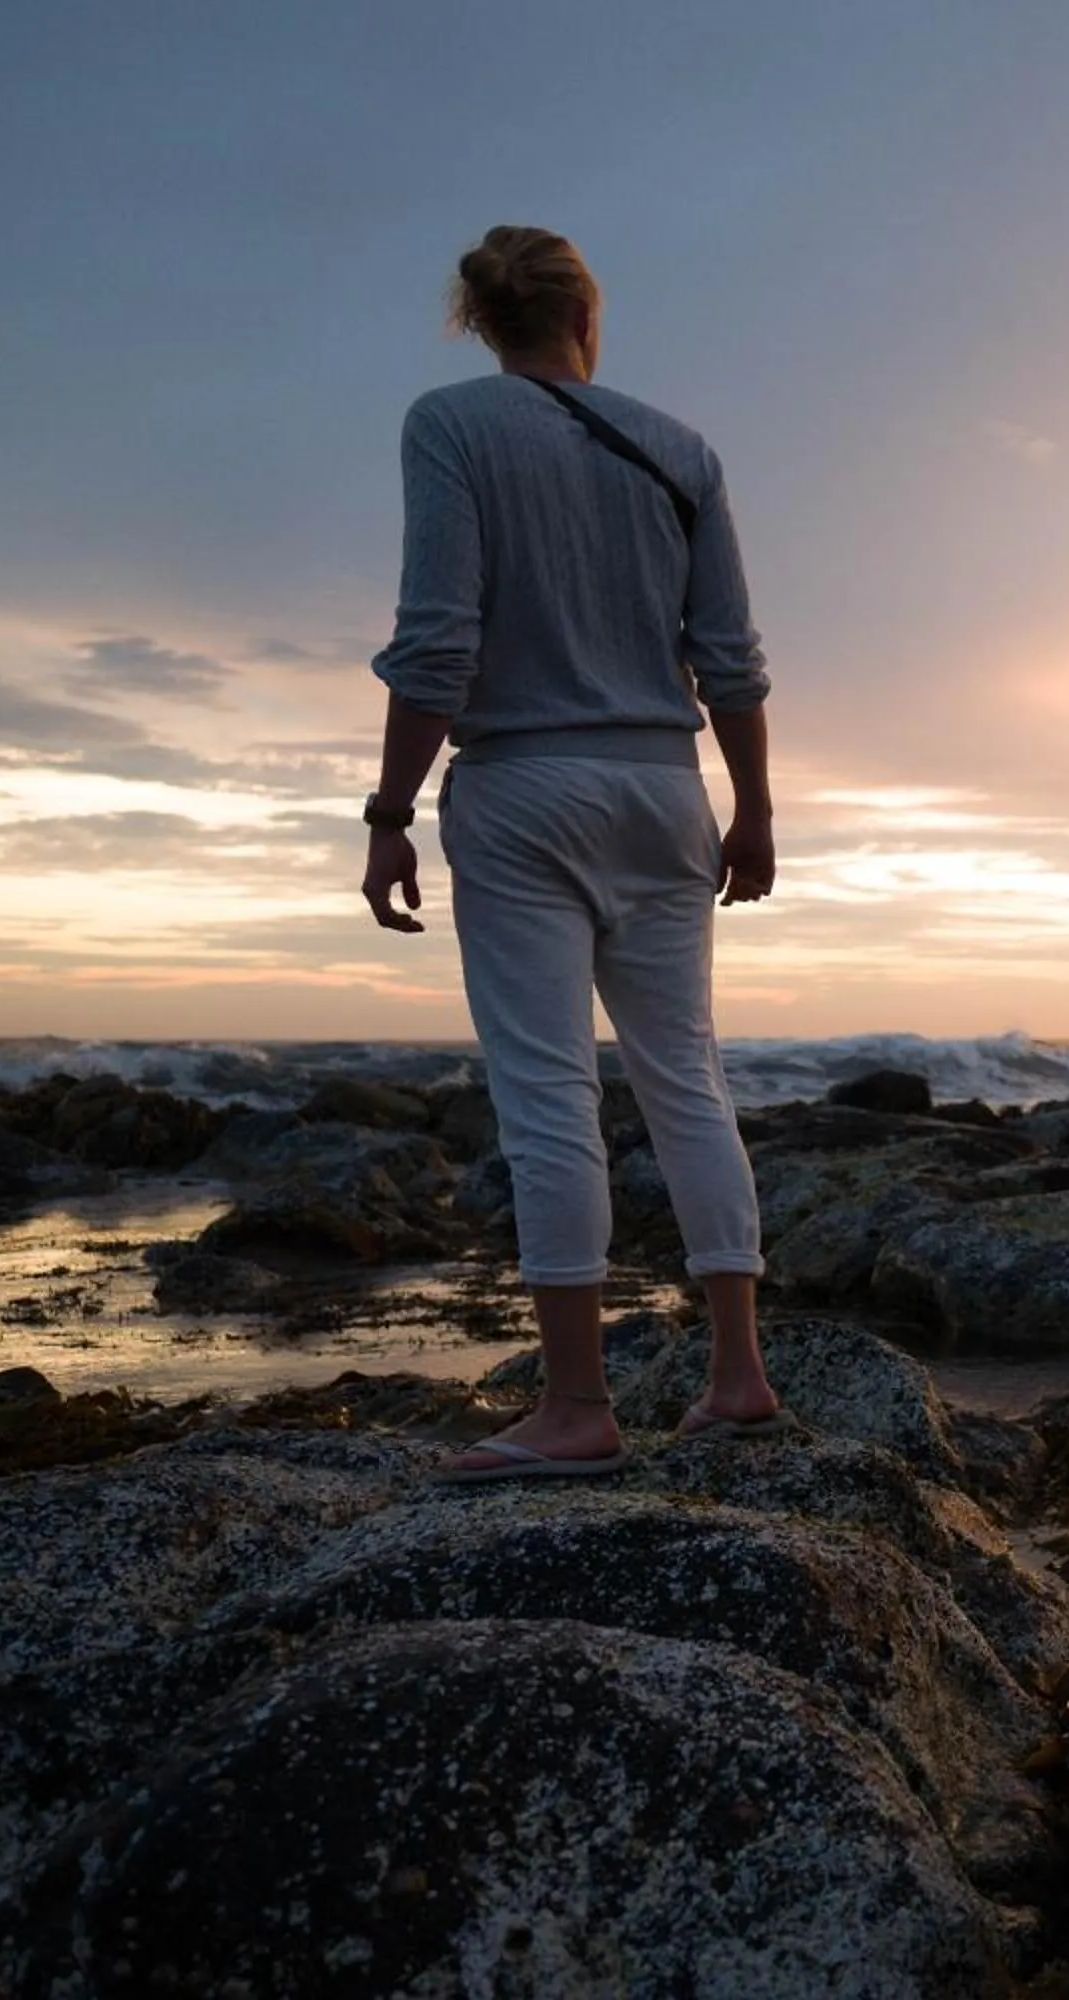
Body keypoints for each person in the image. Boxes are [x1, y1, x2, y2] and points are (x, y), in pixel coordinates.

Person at [360, 224, 786, 1480]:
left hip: (524, 785)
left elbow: (438, 639)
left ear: (481, 324)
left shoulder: (451, 425)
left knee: (549, 1097)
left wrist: (389, 812)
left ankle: (577, 1406)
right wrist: (752, 807)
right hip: (666, 788)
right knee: (688, 1082)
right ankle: (739, 1376)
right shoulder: (681, 450)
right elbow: (733, 657)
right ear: (586, 319)